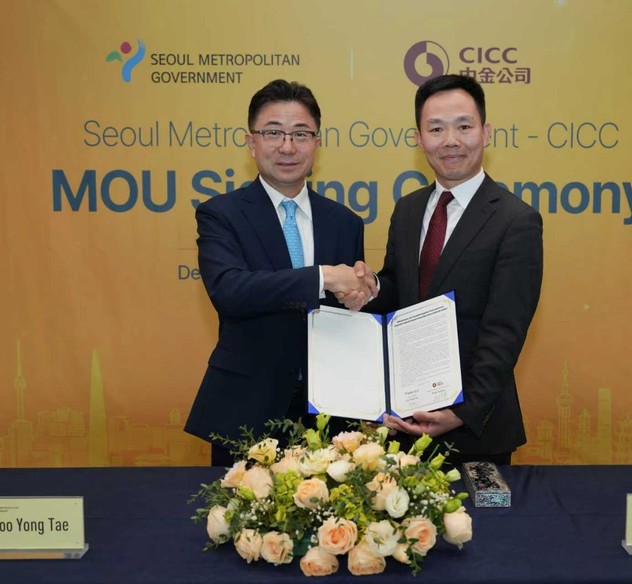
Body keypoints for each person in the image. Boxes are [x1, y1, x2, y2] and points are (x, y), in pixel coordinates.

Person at [184, 79, 376, 466]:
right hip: (246, 411)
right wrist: (323, 277)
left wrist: (364, 291)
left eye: (301, 134)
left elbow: (349, 311)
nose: (287, 147)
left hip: (330, 416)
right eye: (273, 133)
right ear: (251, 142)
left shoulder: (344, 222)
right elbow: (230, 290)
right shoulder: (221, 214)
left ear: (317, 143)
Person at [361, 74, 543, 465]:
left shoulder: (516, 220)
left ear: (486, 132)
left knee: (480, 510)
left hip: (476, 433)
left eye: (463, 126)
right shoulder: (408, 209)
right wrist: (370, 287)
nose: (450, 140)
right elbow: (400, 291)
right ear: (418, 138)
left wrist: (462, 411)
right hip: (404, 424)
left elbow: (505, 330)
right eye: (436, 129)